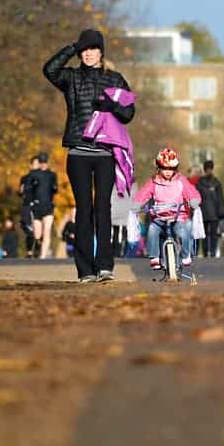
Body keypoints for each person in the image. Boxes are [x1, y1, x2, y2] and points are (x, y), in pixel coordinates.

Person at [44, 28, 135, 282]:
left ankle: (105, 266)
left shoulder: (115, 79)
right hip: (78, 152)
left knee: (102, 208)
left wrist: (113, 107)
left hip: (105, 153)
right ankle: (85, 270)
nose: (88, 54)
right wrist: (71, 48)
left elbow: (129, 114)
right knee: (83, 210)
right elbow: (49, 70)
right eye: (84, 50)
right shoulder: (71, 78)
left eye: (93, 49)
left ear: (101, 52)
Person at [133, 148, 201, 270]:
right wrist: (138, 203)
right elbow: (144, 193)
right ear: (159, 168)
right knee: (152, 230)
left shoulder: (181, 181)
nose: (168, 172)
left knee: (182, 232)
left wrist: (193, 200)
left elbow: (190, 191)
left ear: (175, 168)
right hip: (159, 217)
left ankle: (186, 255)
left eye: (171, 169)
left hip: (177, 216)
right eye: (165, 168)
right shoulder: (154, 182)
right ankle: (154, 257)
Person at [28, 152, 57, 259]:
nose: (44, 164)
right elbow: (28, 190)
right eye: (41, 162)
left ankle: (43, 256)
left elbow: (55, 189)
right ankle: (38, 249)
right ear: (39, 163)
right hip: (37, 207)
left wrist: (54, 187)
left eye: (45, 162)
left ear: (48, 163)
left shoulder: (52, 175)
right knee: (37, 234)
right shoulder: (33, 174)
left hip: (48, 206)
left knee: (47, 232)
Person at [196, 160, 224, 258]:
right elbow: (220, 198)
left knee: (204, 234)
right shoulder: (216, 182)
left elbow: (197, 197)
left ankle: (205, 252)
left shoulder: (200, 182)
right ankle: (212, 252)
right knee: (213, 234)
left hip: (203, 212)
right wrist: (221, 212)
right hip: (214, 213)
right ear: (212, 168)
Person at [19, 156, 40, 258]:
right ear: (31, 165)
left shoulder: (43, 177)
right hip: (27, 205)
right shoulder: (25, 178)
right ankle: (29, 252)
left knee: (39, 230)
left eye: (39, 164)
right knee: (28, 228)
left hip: (39, 206)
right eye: (36, 164)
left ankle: (37, 249)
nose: (37, 166)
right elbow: (21, 192)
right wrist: (22, 191)